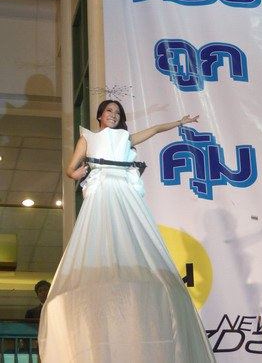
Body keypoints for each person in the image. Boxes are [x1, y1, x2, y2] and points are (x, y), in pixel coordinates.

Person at [38, 100, 215, 362]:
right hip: (102, 189)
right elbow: (69, 169)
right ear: (100, 115)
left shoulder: (125, 137)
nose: (113, 115)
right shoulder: (88, 138)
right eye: (109, 111)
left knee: (131, 236)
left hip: (124, 190)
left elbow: (154, 130)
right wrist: (78, 173)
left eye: (117, 112)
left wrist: (179, 122)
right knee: (102, 236)